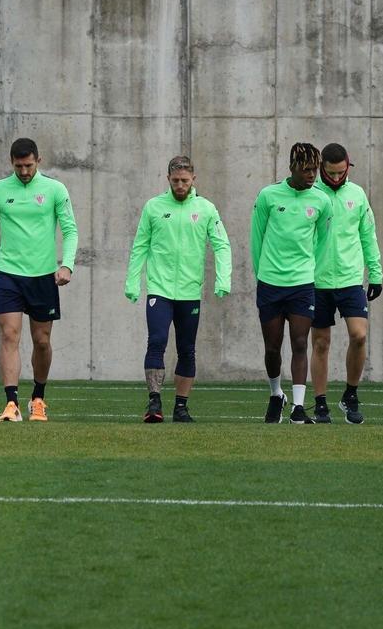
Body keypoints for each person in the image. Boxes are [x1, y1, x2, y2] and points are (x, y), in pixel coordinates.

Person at [0, 138, 79, 422]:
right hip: (9, 274)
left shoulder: (55, 189)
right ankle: (11, 403)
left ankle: (38, 398)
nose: (23, 171)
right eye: (18, 166)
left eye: (28, 165)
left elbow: (70, 230)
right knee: (9, 335)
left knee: (41, 341)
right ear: (11, 162)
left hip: (44, 276)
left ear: (39, 160)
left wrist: (66, 265)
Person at [125, 156, 232, 423]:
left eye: (185, 181)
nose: (180, 185)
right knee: (157, 341)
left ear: (193, 179)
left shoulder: (206, 209)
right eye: (176, 181)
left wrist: (223, 279)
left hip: (189, 291)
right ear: (168, 179)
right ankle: (154, 402)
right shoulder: (154, 207)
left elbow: (222, 245)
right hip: (159, 289)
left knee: (187, 349)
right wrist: (132, 280)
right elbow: (140, 245)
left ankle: (181, 407)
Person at [251, 143, 333, 424]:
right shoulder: (268, 196)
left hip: (302, 284)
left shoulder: (322, 201)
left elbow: (323, 242)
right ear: (292, 167)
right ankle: (276, 395)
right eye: (306, 169)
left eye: (315, 170)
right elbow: (256, 238)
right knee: (272, 348)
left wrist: (312, 273)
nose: (312, 175)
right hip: (271, 283)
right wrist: (262, 274)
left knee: (300, 342)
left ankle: (298, 406)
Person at [309, 143, 383, 424]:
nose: (337, 178)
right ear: (321, 169)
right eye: (331, 173)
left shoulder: (357, 194)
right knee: (321, 343)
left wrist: (375, 273)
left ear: (347, 167)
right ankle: (319, 404)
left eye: (341, 172)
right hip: (317, 280)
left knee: (359, 335)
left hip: (351, 279)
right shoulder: (312, 194)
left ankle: (350, 394)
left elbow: (368, 234)